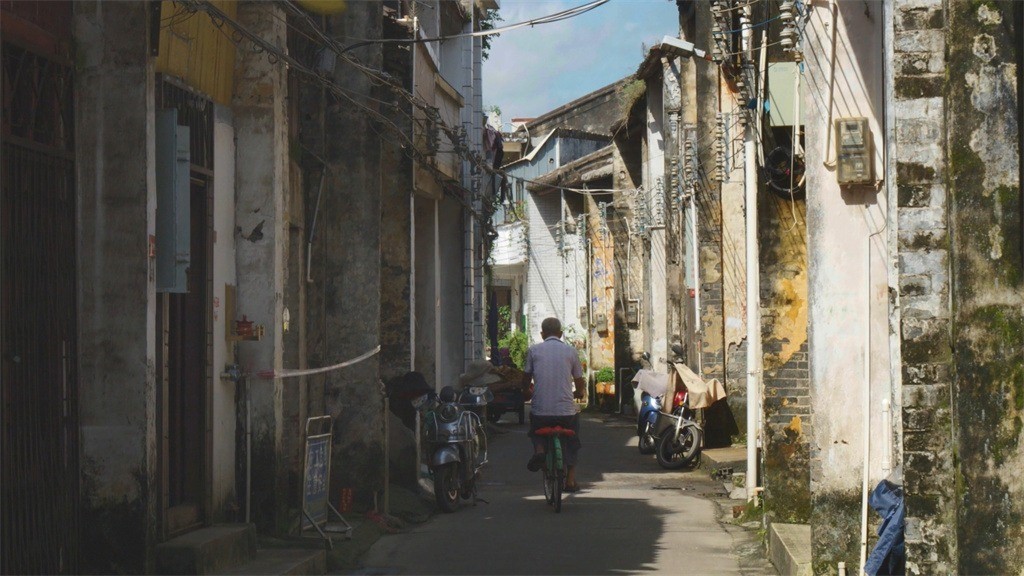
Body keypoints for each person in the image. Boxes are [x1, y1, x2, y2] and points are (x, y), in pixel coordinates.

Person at [520, 317, 585, 491]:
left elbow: (525, 380)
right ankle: (570, 479)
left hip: (541, 412)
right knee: (572, 437)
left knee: (535, 428)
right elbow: (580, 382)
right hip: (566, 413)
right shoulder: (571, 351)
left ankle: (540, 450)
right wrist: (579, 393)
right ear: (561, 334)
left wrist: (526, 392)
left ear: (542, 334)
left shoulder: (534, 351)